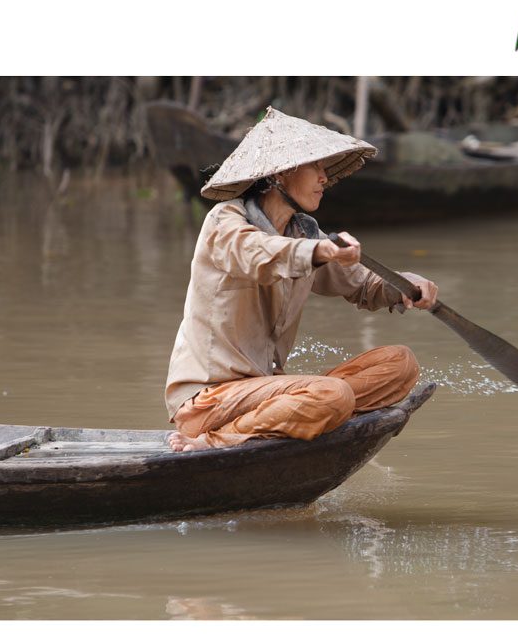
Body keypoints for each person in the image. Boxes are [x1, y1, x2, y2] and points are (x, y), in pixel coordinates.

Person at [164, 107, 439, 452]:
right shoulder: (226, 221)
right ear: (282, 173)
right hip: (209, 401)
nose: (325, 178)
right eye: (316, 167)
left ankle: (310, 416)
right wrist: (320, 251)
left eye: (325, 168)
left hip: (266, 394)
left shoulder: (302, 232)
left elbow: (362, 282)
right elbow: (258, 252)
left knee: (400, 364)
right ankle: (216, 441)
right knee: (333, 394)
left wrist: (403, 286)